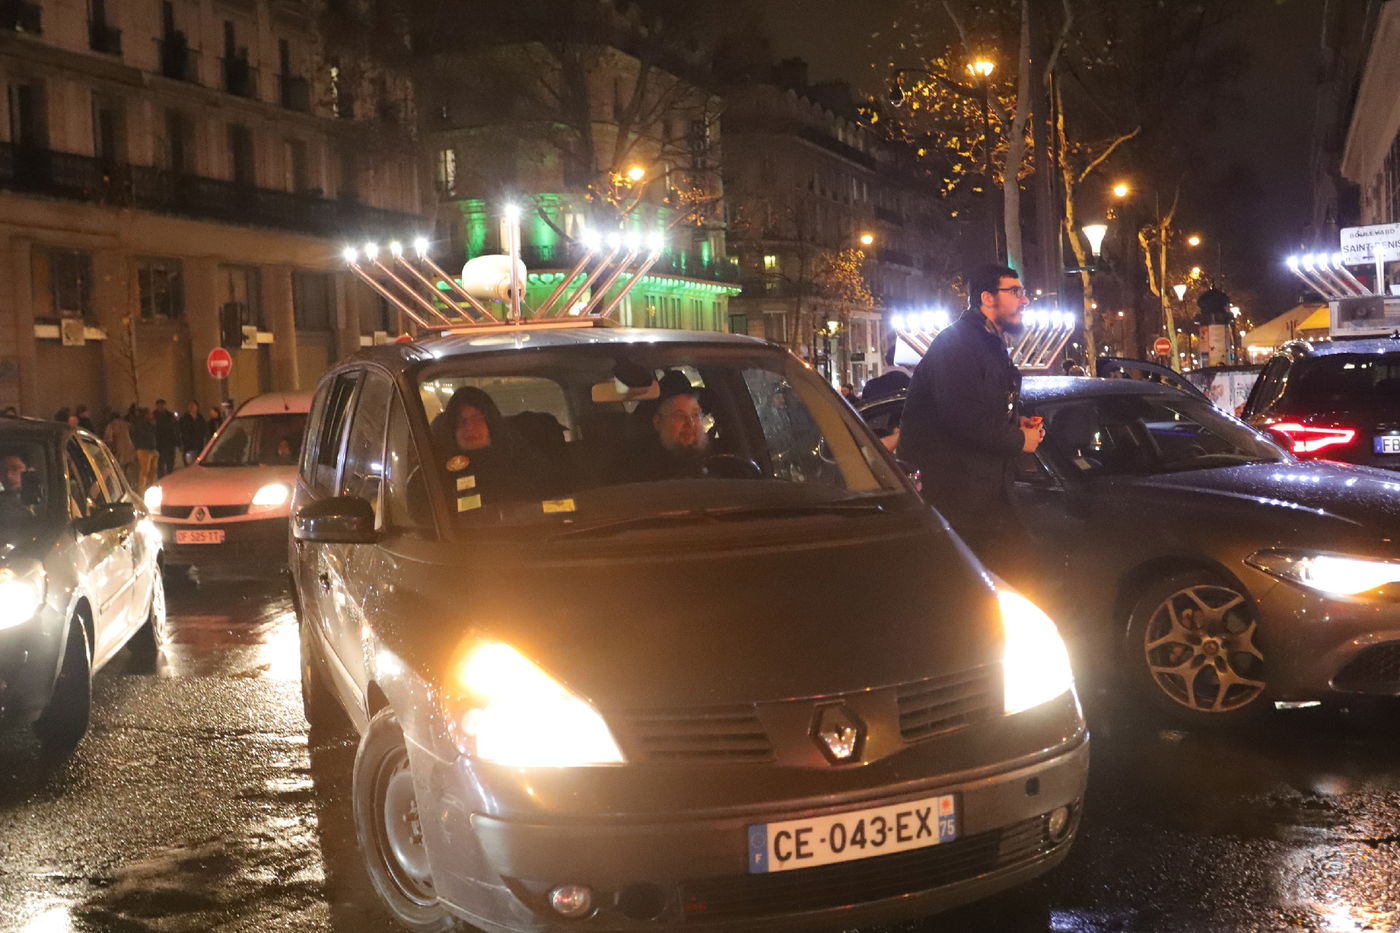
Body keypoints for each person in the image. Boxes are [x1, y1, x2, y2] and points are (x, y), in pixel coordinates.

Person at [897, 263, 1045, 583]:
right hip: (959, 500)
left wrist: (1016, 420)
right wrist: (1020, 440)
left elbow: (981, 405)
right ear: (987, 298)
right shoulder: (959, 345)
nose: (1024, 300)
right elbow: (962, 418)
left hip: (981, 495)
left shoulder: (987, 341)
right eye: (1015, 292)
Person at [430, 386, 545, 514]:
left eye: (477, 418)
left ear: (491, 423)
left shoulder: (522, 461)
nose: (469, 427)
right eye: (461, 421)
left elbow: (543, 507)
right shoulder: (435, 470)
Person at [623, 371, 713, 481]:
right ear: (658, 423)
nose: (690, 423)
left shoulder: (717, 458)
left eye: (695, 415)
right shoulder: (639, 468)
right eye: (679, 416)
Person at [103, 409, 138, 487]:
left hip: (119, 449)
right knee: (127, 468)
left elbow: (109, 439)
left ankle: (121, 486)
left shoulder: (111, 426)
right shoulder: (126, 424)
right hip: (129, 448)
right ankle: (129, 485)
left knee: (118, 469)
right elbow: (133, 433)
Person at [131, 406, 158, 491]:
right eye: (150, 413)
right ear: (146, 415)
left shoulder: (149, 423)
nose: (152, 415)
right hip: (144, 449)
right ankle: (142, 490)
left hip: (151, 448)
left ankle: (148, 488)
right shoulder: (142, 424)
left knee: (152, 471)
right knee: (145, 471)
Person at [153, 399, 178, 476]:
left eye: (162, 405)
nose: (161, 407)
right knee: (161, 462)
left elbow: (175, 428)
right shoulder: (153, 416)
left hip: (170, 442)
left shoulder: (170, 415)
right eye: (159, 405)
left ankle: (170, 476)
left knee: (170, 462)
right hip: (159, 443)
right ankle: (161, 477)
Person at [178, 400, 208, 465]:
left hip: (199, 443)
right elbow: (180, 429)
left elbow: (204, 429)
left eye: (193, 406)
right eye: (190, 406)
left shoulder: (200, 418)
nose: (192, 407)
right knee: (188, 462)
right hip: (188, 444)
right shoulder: (184, 418)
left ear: (197, 407)